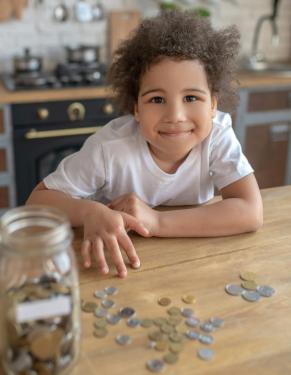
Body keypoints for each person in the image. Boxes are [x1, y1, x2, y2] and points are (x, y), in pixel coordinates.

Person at [26, 10, 263, 278]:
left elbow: (250, 211)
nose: (175, 116)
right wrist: (89, 211)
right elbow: (36, 203)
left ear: (213, 104)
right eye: (157, 100)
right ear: (135, 108)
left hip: (192, 262)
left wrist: (157, 221)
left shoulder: (217, 135)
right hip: (118, 264)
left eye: (192, 98)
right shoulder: (109, 148)